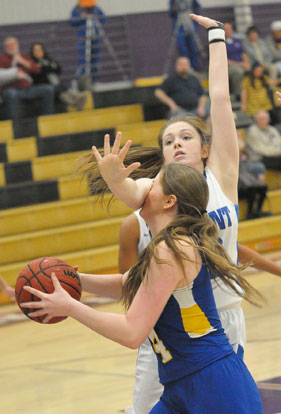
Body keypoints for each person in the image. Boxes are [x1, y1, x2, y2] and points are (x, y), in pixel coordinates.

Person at [75, 16, 281, 413]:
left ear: (205, 147)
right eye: (169, 140)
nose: (178, 143)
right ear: (163, 155)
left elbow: (220, 99)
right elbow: (128, 191)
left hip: (222, 321)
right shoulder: (154, 191)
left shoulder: (221, 177)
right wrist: (115, 176)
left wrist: (217, 37)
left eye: (187, 136)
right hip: (168, 322)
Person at [21, 162, 263, 413]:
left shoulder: (172, 249)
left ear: (169, 201)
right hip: (182, 384)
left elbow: (131, 332)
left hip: (213, 384)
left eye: (153, 184)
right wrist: (72, 279)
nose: (144, 189)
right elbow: (126, 284)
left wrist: (70, 306)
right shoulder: (165, 245)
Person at [0, 37, 55, 120]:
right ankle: (14, 123)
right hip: (11, 90)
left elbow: (37, 69)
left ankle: (47, 119)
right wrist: (14, 75)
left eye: (13, 44)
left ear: (17, 45)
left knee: (48, 89)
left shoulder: (24, 56)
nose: (11, 47)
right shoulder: (2, 59)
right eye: (8, 45)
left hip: (28, 89)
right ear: (5, 47)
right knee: (11, 94)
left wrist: (21, 61)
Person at [30, 42, 88, 111]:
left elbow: (58, 69)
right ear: (33, 52)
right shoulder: (32, 62)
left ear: (43, 51)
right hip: (45, 85)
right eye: (36, 50)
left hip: (56, 83)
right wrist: (49, 68)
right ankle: (76, 101)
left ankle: (77, 99)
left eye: (39, 50)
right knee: (57, 89)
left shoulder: (48, 60)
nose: (38, 52)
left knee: (62, 86)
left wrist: (46, 68)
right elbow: (39, 74)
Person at [70, 0, 106, 87]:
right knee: (83, 61)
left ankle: (94, 81)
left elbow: (103, 19)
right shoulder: (77, 10)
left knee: (95, 61)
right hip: (83, 39)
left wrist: (94, 17)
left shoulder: (96, 9)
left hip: (95, 38)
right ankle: (80, 82)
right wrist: (82, 17)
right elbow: (72, 22)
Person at [237, 130, 271, 220]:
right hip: (238, 186)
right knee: (251, 189)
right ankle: (250, 213)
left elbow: (249, 171)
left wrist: (258, 179)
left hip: (247, 183)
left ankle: (258, 210)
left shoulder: (244, 158)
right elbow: (241, 177)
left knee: (263, 187)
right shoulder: (233, 161)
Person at [168, 0, 201, 71]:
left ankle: (194, 67)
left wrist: (195, 20)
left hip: (190, 24)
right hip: (179, 26)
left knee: (193, 46)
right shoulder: (173, 1)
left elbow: (197, 7)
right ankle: (186, 67)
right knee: (182, 48)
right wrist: (174, 9)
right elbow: (171, 13)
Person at [224, 22, 250, 99]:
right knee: (238, 71)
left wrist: (246, 63)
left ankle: (253, 91)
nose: (228, 31)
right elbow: (225, 60)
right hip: (229, 66)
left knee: (254, 68)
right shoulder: (221, 42)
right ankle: (239, 94)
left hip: (241, 63)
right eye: (226, 29)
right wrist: (241, 64)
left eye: (229, 29)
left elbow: (243, 54)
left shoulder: (237, 41)